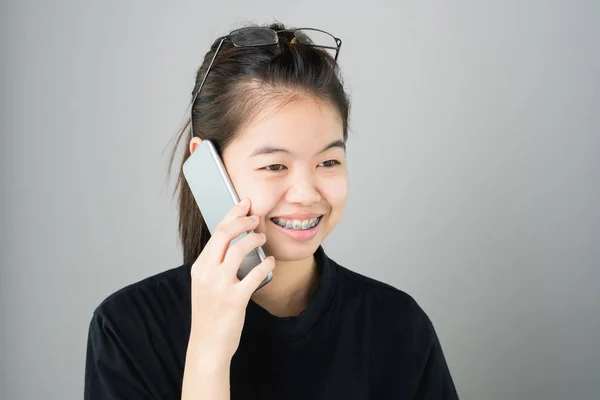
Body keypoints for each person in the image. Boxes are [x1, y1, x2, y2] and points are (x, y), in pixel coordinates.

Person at [84, 22, 459, 399]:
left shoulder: (398, 326)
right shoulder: (127, 330)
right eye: (274, 166)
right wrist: (208, 356)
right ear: (206, 169)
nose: (306, 194)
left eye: (328, 162)